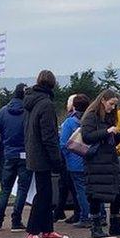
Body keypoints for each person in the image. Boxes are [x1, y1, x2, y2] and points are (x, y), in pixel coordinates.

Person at [24, 70, 69, 238]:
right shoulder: (46, 105)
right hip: (43, 155)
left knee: (46, 193)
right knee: (43, 194)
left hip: (33, 152)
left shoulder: (30, 103)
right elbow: (49, 136)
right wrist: (56, 159)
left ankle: (47, 229)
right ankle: (33, 231)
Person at [81, 89, 120, 238]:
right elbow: (87, 137)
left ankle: (115, 224)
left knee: (117, 192)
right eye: (111, 104)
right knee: (96, 195)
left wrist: (118, 136)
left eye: (115, 105)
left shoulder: (109, 116)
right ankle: (95, 227)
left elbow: (107, 139)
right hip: (96, 161)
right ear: (103, 100)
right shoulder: (91, 116)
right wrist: (107, 131)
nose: (113, 107)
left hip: (110, 158)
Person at [0, 83, 32, 231]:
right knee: (22, 189)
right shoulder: (28, 112)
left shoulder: (3, 111)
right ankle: (16, 220)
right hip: (24, 153)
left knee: (5, 188)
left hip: (8, 154)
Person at [58, 94, 92, 228]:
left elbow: (63, 143)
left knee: (81, 191)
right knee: (93, 189)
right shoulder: (91, 119)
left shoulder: (69, 122)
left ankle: (86, 217)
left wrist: (67, 158)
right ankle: (99, 216)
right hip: (90, 159)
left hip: (74, 161)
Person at [53, 94, 79, 223]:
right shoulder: (74, 119)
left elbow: (64, 141)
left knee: (69, 185)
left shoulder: (71, 121)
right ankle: (60, 211)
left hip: (69, 157)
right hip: (72, 157)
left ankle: (75, 212)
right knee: (65, 184)